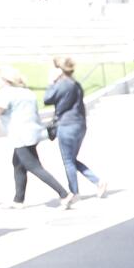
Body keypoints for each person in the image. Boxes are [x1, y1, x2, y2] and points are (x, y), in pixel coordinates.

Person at [0, 67, 71, 209]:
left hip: (20, 135)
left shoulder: (5, 93)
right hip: (34, 132)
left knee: (34, 166)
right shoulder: (26, 92)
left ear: (5, 80)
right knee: (18, 164)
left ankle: (64, 194)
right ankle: (18, 200)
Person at [44, 56, 107, 203]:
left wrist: (50, 82)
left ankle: (74, 192)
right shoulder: (75, 84)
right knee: (71, 160)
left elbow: (47, 99)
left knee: (68, 161)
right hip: (79, 124)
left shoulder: (63, 84)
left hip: (67, 125)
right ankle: (97, 181)